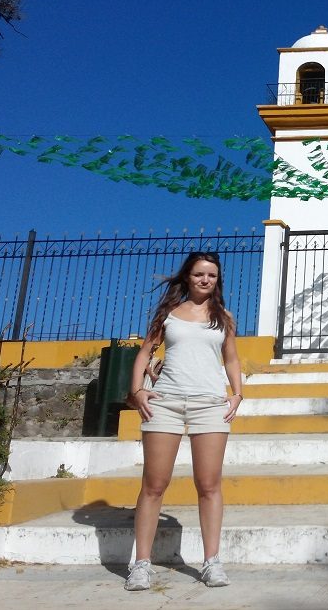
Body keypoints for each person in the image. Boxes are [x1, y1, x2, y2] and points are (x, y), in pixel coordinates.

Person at [123, 251, 244, 591]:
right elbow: (145, 353)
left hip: (209, 405)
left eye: (212, 276)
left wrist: (237, 394)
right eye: (199, 274)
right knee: (153, 485)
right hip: (166, 404)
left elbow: (232, 359)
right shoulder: (168, 314)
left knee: (209, 485)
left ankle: (212, 563)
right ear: (187, 277)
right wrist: (138, 391)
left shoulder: (224, 318)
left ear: (217, 281)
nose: (205, 280)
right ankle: (142, 565)